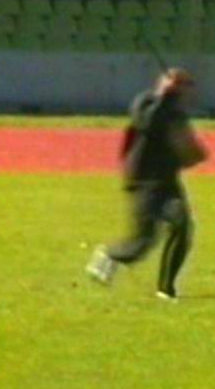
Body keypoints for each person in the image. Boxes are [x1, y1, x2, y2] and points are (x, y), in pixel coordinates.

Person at [86, 69, 207, 300]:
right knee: (141, 243)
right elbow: (148, 123)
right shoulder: (146, 102)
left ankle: (166, 288)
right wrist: (162, 96)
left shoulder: (177, 114)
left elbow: (184, 147)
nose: (188, 92)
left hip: (168, 181)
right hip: (143, 181)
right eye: (184, 86)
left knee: (182, 226)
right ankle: (110, 255)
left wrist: (193, 153)